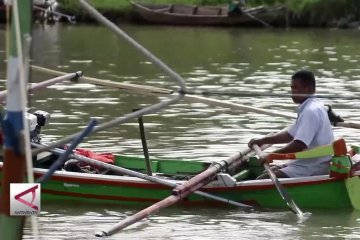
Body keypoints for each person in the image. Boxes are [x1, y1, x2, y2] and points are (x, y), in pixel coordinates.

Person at [248, 70, 334, 179]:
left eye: (296, 88)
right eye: (292, 88)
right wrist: (262, 141)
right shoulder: (313, 106)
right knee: (271, 171)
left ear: (309, 89)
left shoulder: (310, 111)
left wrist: (272, 155)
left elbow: (299, 144)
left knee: (262, 180)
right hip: (307, 162)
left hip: (313, 166)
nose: (292, 92)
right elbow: (290, 134)